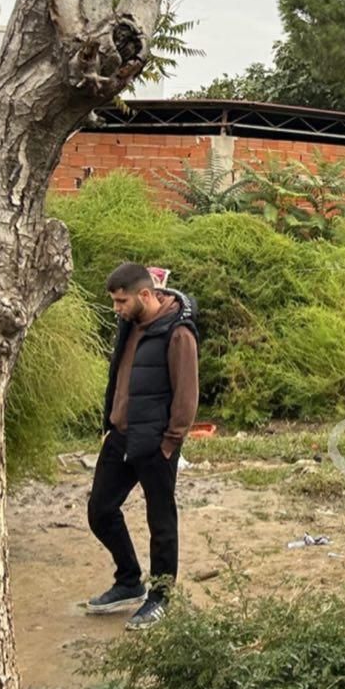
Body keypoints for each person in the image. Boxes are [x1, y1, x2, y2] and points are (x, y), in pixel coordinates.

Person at [85, 262, 199, 628]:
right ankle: (129, 580)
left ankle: (160, 596)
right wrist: (110, 424)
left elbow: (187, 396)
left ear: (145, 295)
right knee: (100, 511)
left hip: (155, 442)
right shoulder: (128, 325)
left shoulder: (177, 333)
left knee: (160, 522)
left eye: (121, 301)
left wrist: (169, 443)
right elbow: (119, 376)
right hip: (120, 438)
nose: (117, 308)